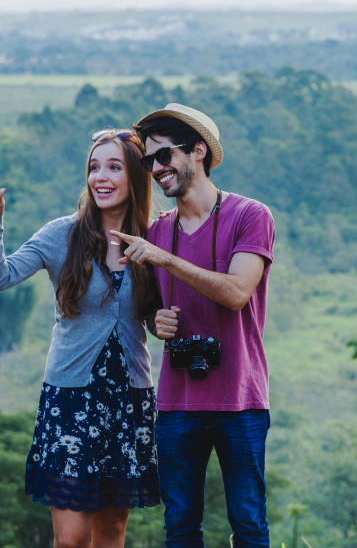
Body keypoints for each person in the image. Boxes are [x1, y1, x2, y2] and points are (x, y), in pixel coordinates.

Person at [0, 130, 163, 548]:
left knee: (111, 531)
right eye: (94, 167)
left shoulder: (155, 238)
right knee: (70, 539)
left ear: (136, 178)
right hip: (72, 399)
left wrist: (163, 321)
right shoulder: (62, 234)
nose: (100, 177)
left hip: (129, 398)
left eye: (114, 167)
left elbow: (154, 315)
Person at [110, 104, 275, 548]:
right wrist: (155, 319)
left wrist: (165, 259)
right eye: (149, 162)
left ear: (198, 150)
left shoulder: (249, 215)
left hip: (240, 397)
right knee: (180, 526)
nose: (157, 170)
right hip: (178, 400)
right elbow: (147, 308)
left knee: (249, 524)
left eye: (164, 156)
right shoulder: (157, 231)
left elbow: (238, 293)